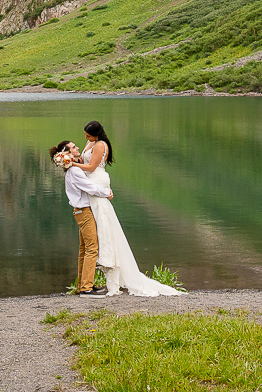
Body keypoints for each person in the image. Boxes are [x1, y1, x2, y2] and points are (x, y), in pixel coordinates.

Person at [68, 121, 184, 297]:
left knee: (101, 230)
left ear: (96, 134)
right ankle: (85, 284)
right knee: (91, 236)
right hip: (91, 187)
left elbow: (91, 167)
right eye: (84, 134)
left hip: (96, 181)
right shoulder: (90, 143)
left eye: (87, 135)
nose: (84, 137)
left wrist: (72, 164)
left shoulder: (100, 145)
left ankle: (93, 281)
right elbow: (85, 161)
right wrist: (70, 160)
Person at [49, 141, 112, 296]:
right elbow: (89, 187)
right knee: (92, 248)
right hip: (84, 212)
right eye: (74, 147)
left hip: (80, 212)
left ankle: (83, 285)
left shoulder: (72, 169)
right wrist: (106, 192)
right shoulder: (74, 172)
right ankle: (86, 288)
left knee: (84, 249)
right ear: (68, 153)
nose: (77, 148)